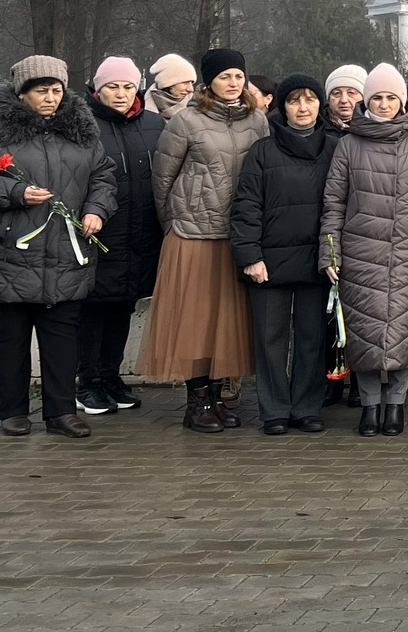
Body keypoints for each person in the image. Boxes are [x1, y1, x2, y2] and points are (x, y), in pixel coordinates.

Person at [0, 56, 115, 437]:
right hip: (7, 253)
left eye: (56, 90)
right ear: (21, 93)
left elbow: (103, 176)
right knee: (10, 335)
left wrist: (96, 210)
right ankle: (12, 410)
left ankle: (60, 412)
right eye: (42, 90)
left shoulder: (82, 132)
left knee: (62, 336)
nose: (51, 98)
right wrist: (15, 191)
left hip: (64, 252)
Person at [141, 48, 269, 431]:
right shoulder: (186, 121)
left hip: (237, 235)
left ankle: (218, 396)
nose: (233, 83)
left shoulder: (257, 121)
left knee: (225, 322)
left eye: (238, 77)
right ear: (208, 81)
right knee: (193, 321)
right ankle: (196, 402)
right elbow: (162, 180)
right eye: (225, 76)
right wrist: (175, 223)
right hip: (193, 235)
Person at [321, 63, 408, 437]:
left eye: (392, 97)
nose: (385, 104)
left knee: (404, 333)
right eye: (377, 97)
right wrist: (330, 254)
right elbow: (334, 204)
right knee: (363, 333)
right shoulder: (348, 144)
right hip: (360, 253)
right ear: (367, 100)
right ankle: (370, 406)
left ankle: (396, 406)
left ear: (402, 101)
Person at [229, 74, 338, 435]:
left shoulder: (337, 149)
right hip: (269, 263)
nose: (303, 107)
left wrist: (336, 256)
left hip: (317, 261)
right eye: (294, 100)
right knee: (270, 337)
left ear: (320, 104)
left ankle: (307, 407)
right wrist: (250, 256)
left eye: (309, 99)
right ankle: (274, 409)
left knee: (311, 338)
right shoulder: (263, 150)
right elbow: (246, 206)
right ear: (282, 106)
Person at [78, 57, 165, 415]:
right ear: (97, 89)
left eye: (128, 87)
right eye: (113, 86)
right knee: (92, 308)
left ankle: (111, 376)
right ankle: (87, 382)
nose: (121, 94)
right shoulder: (83, 125)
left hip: (140, 233)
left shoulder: (155, 124)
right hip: (99, 232)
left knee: (123, 305)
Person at [323, 64, 366, 134]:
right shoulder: (316, 128)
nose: (344, 100)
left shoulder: (376, 128)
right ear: (329, 99)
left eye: (351, 93)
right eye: (337, 93)